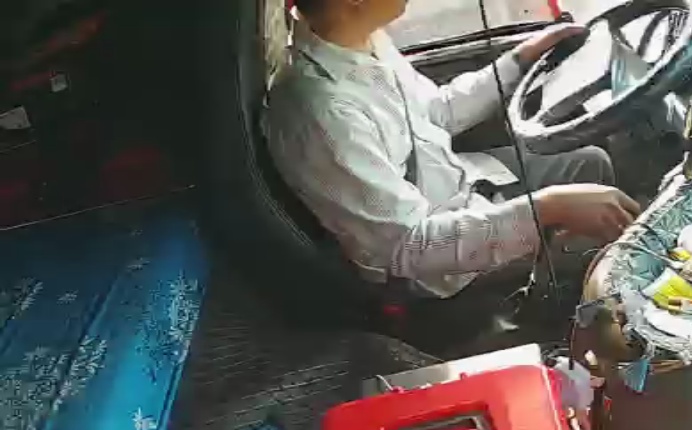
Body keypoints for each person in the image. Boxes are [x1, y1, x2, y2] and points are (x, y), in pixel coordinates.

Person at [263, 0, 641, 347]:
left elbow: (436, 112)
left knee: (589, 163)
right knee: (589, 246)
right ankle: (577, 342)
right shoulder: (323, 112)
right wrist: (548, 209)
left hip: (459, 183)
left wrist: (521, 58)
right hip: (436, 270)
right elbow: (408, 247)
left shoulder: (360, 41)